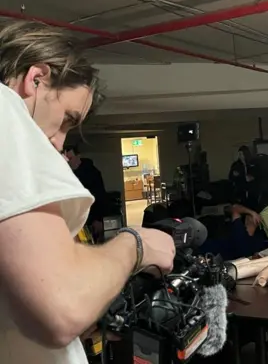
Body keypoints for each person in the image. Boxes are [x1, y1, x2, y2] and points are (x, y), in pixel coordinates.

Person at [0, 21, 176, 362]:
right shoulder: (6, 113)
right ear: (35, 79)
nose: (59, 143)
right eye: (66, 119)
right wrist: (136, 244)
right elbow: (62, 304)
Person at [64, 144, 115, 240]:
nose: (68, 162)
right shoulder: (67, 174)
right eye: (66, 159)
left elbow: (100, 196)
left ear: (78, 156)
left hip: (91, 219)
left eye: (70, 158)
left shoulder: (91, 173)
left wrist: (99, 219)